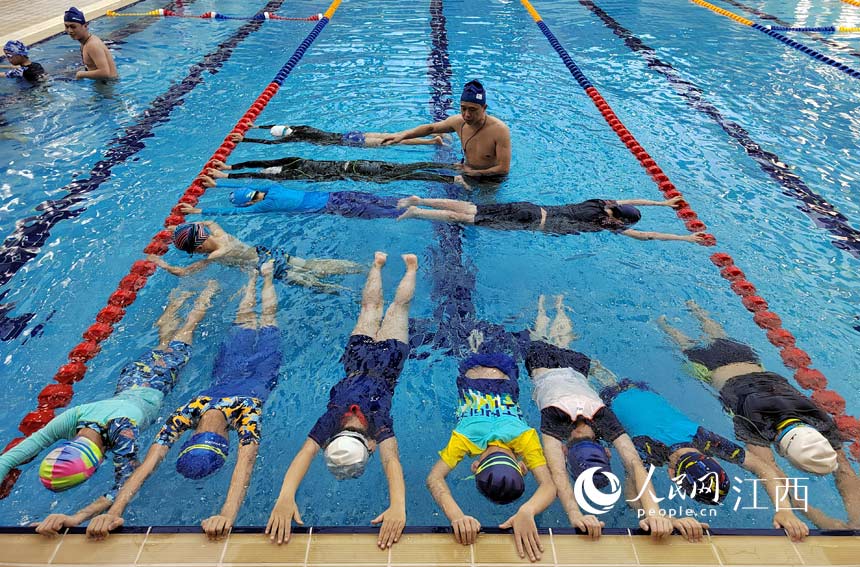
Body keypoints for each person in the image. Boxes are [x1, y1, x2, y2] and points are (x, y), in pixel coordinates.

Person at [0, 282, 217, 535]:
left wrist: (77, 516)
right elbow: (8, 459)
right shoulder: (74, 417)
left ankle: (207, 291)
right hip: (134, 376)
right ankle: (179, 296)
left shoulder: (121, 431)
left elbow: (124, 484)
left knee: (185, 332)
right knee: (164, 340)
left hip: (159, 377)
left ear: (98, 461)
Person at [88, 263, 285, 540]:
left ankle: (257, 279)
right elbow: (244, 466)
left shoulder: (190, 415)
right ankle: (263, 279)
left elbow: (148, 466)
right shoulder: (236, 415)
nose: (212, 428)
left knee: (252, 319)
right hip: (253, 373)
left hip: (236, 370)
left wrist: (116, 509)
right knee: (262, 319)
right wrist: (227, 514)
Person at [659, 300, 860, 529]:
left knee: (713, 334)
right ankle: (669, 321)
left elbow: (839, 469)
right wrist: (816, 517)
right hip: (711, 368)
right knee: (684, 341)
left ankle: (693, 310)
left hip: (746, 360)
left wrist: (856, 523)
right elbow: (769, 470)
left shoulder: (818, 418)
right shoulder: (759, 420)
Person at [266, 252, 416, 550]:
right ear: (329, 442)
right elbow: (305, 454)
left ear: (369, 446)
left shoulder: (378, 424)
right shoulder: (329, 422)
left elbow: (392, 462)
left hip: (389, 363)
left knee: (399, 308)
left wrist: (398, 505)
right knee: (370, 308)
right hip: (356, 359)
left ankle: (410, 267)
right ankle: (377, 263)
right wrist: (285, 496)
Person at [527, 295, 706, 541]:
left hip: (570, 367)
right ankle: (553, 304)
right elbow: (630, 464)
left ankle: (552, 303)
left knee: (559, 337)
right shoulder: (572, 423)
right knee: (548, 334)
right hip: (552, 367)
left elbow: (631, 464)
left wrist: (575, 514)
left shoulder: (580, 420)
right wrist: (655, 513)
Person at [425, 342, 556, 563]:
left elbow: (549, 485)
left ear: (522, 467)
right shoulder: (464, 437)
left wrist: (528, 510)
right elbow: (434, 478)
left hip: (505, 369)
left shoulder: (524, 437)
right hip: (470, 370)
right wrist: (457, 516)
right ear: (474, 466)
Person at [148, 221, 365, 294]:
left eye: (192, 251)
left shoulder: (215, 255)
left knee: (313, 283)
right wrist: (179, 228)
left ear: (199, 245)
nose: (194, 255)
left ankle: (351, 293)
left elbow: (184, 272)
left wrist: (160, 262)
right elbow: (209, 222)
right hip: (269, 252)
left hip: (268, 266)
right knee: (311, 265)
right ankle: (361, 268)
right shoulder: (220, 234)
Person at [396, 194, 712, 244]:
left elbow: (632, 199)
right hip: (531, 223)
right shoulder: (603, 224)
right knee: (464, 218)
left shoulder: (600, 204)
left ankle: (418, 200)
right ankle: (418, 212)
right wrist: (685, 238)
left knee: (469, 207)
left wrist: (665, 203)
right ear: (617, 220)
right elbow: (647, 236)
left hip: (531, 207)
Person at [382, 80, 511, 182]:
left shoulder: (499, 131)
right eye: (463, 108)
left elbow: (503, 168)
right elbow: (431, 128)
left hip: (491, 179)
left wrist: (477, 173)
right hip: (465, 170)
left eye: (472, 110)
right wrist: (402, 135)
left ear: (484, 108)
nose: (466, 115)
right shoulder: (458, 122)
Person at [177, 183, 404, 220]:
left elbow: (236, 213)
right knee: (387, 201)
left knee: (386, 214)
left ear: (248, 202)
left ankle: (410, 212)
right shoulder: (273, 188)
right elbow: (253, 183)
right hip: (338, 194)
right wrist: (216, 184)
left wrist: (199, 211)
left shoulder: (265, 206)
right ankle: (411, 201)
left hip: (334, 206)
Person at [199, 157, 462, 187]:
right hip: (358, 163)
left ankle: (451, 177)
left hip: (361, 175)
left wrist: (227, 175)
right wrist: (230, 168)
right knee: (409, 168)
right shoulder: (295, 162)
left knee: (410, 175)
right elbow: (259, 164)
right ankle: (453, 169)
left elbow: (258, 172)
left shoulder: (290, 175)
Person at [230, 124, 449, 147]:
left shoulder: (296, 138)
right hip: (352, 133)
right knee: (393, 135)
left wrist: (246, 138)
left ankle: (431, 140)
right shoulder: (301, 128)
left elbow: (269, 143)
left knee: (393, 143)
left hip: (349, 142)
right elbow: (273, 129)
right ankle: (433, 138)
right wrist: (254, 126)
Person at [64, 7, 118, 80]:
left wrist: (80, 74)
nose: (70, 30)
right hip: (103, 84)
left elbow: (105, 73)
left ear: (85, 26)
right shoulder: (85, 42)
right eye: (67, 26)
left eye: (73, 27)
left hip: (107, 87)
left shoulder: (92, 45)